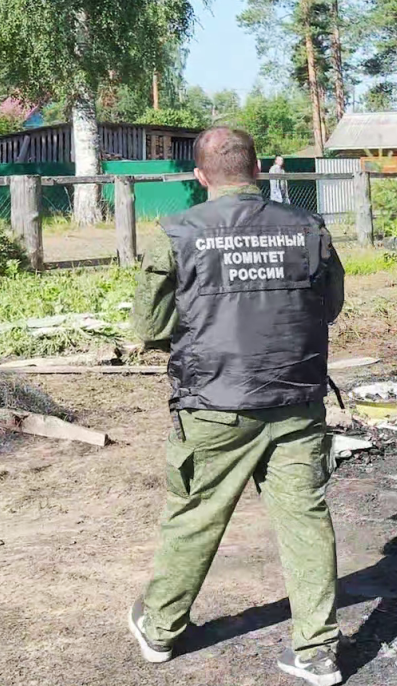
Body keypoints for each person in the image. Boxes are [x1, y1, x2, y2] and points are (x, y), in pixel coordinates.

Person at [127, 127, 346, 686]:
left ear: (200, 176)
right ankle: (317, 652)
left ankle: (161, 630)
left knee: (196, 514)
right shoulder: (308, 227)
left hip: (215, 402)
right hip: (296, 400)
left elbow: (150, 327)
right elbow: (329, 306)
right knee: (306, 520)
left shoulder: (178, 232)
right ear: (258, 170)